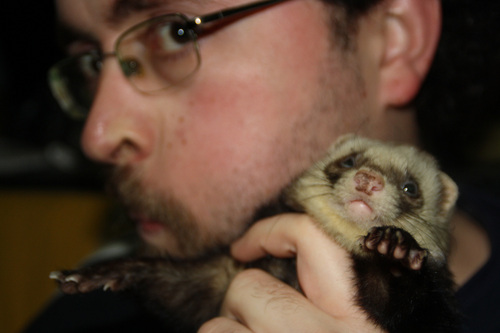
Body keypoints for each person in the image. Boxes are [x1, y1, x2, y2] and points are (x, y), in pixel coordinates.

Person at [23, 0, 500, 332]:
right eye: (88, 62)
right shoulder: (75, 314)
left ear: (395, 42)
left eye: (177, 32)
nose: (96, 134)